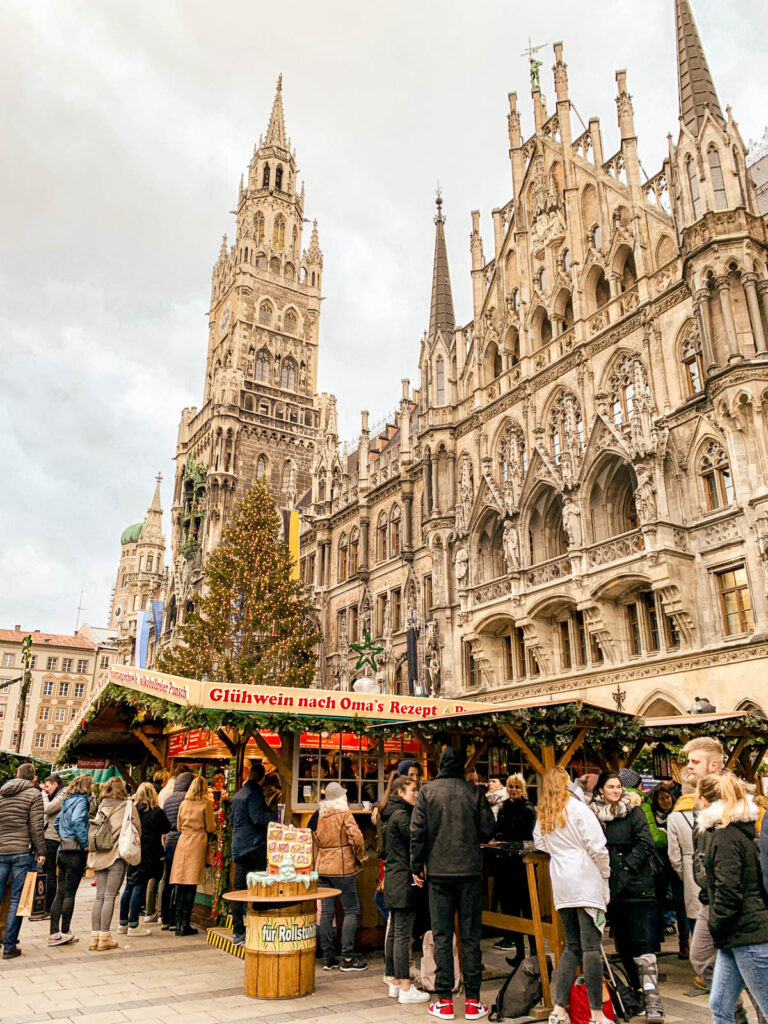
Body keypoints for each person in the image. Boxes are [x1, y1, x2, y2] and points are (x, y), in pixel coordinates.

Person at [411, 745, 496, 1022]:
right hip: (470, 872)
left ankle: (444, 1000)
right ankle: (473, 1000)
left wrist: (417, 866)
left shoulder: (427, 792)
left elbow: (418, 832)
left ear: (440, 764)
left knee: (442, 936)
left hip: (438, 872)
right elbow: (488, 829)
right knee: (471, 937)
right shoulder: (474, 793)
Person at [533, 767, 609, 1024]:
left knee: (571, 946)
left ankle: (559, 1008)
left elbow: (540, 843)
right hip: (585, 879)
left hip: (561, 881)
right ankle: (596, 1013)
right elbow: (597, 846)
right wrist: (605, 875)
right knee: (591, 948)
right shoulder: (578, 809)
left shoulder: (544, 813)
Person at [695, 773, 768, 1024]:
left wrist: (716, 923)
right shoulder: (738, 831)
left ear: (704, 801)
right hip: (738, 935)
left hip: (745, 933)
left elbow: (728, 889)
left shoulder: (724, 836)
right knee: (720, 1006)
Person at [590, 771, 663, 1020]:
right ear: (600, 790)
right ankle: (635, 991)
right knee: (622, 942)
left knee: (641, 944)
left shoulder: (634, 812)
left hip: (636, 885)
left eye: (619, 786)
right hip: (612, 889)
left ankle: (652, 998)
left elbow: (646, 843)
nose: (616, 790)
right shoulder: (594, 816)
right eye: (610, 787)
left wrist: (625, 867)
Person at [311, 781, 367, 971]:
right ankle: (348, 959)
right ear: (341, 798)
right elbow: (357, 837)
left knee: (327, 911)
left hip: (322, 867)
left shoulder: (318, 815)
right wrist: (360, 856)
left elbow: (312, 840)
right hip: (342, 868)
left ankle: (328, 957)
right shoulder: (344, 814)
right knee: (351, 910)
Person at [383, 775, 429, 1004]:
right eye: (413, 790)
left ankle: (394, 982)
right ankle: (405, 987)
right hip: (404, 881)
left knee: (394, 933)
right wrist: (417, 870)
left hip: (394, 879)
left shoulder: (392, 813)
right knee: (402, 934)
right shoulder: (402, 816)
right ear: (400, 792)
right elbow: (416, 842)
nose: (416, 794)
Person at [684, 736, 725, 991]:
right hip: (708, 895)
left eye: (695, 762)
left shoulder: (727, 800)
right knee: (700, 957)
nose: (689, 766)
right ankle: (735, 1012)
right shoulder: (700, 801)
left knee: (741, 965)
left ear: (713, 766)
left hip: (725, 895)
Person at [87, 777, 140, 951]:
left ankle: (94, 938)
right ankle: (104, 937)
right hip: (116, 854)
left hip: (100, 855)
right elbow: (137, 828)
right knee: (110, 896)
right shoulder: (127, 805)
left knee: (99, 896)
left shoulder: (101, 805)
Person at [0, 763, 46, 960]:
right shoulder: (34, 795)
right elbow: (36, 826)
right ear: (33, 778)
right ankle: (9, 945)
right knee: (17, 900)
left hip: (1, 850)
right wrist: (41, 850)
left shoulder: (1, 793)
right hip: (21, 851)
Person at [229, 762, 278, 946]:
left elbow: (233, 820)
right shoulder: (255, 793)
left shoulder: (239, 794)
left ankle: (238, 931)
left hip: (239, 846)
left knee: (239, 889)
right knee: (262, 883)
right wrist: (276, 817)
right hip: (254, 846)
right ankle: (259, 923)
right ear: (262, 777)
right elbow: (257, 818)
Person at [491, 773, 536, 962]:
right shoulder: (503, 808)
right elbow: (499, 830)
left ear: (522, 789)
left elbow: (528, 835)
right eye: (510, 787)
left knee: (528, 909)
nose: (514, 790)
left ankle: (534, 951)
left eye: (517, 787)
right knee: (510, 910)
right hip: (505, 865)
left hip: (522, 865)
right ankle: (519, 951)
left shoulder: (528, 809)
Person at [118, 782, 170, 935]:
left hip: (133, 851)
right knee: (140, 887)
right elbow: (166, 827)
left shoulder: (132, 810)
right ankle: (134, 925)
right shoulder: (157, 812)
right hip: (150, 853)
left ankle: (123, 923)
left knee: (129, 885)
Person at [48, 774, 92, 946]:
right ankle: (65, 931)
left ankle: (53, 931)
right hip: (75, 851)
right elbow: (77, 820)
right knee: (70, 893)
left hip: (62, 849)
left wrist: (63, 837)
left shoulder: (67, 801)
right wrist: (85, 842)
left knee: (60, 892)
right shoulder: (81, 801)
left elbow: (57, 822)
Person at [170, 774, 215, 936]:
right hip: (197, 842)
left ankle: (178, 922)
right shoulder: (206, 804)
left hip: (183, 842)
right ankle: (185, 924)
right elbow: (210, 827)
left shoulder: (183, 803)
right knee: (191, 884)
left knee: (180, 883)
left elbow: (179, 825)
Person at [667, 782, 702, 956]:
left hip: (689, 865)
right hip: (709, 864)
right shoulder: (707, 812)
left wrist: (682, 872)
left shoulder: (674, 817)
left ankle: (699, 957)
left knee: (694, 912)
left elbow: (673, 852)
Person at [160, 770, 194, 929]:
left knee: (168, 879)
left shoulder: (168, 799)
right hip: (182, 840)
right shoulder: (187, 799)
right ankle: (175, 918)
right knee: (180, 880)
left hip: (169, 840)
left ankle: (164, 917)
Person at [40, 773, 67, 917]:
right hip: (49, 835)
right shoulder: (57, 794)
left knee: (50, 872)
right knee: (47, 871)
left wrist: (44, 796)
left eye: (48, 786)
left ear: (55, 784)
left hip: (53, 837)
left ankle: (49, 907)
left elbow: (48, 809)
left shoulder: (63, 794)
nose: (46, 789)